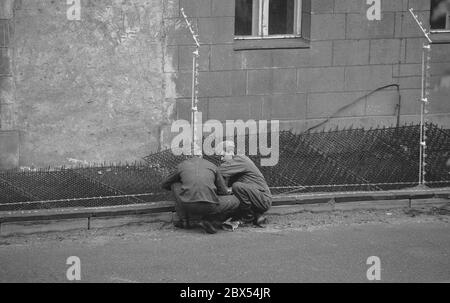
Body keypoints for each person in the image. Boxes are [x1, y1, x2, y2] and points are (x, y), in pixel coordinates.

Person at [162, 156, 239, 234]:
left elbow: (165, 184)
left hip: (187, 204)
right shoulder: (212, 165)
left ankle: (185, 222)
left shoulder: (182, 165)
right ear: (201, 155)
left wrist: (184, 184)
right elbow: (223, 191)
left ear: (188, 156)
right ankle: (211, 220)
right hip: (210, 206)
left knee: (174, 184)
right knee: (236, 200)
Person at [217, 141, 272, 227]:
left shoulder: (240, 159)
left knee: (237, 187)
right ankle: (256, 216)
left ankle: (247, 218)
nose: (221, 159)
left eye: (222, 156)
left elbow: (217, 172)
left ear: (229, 152)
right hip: (257, 197)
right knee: (233, 191)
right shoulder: (234, 165)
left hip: (263, 198)